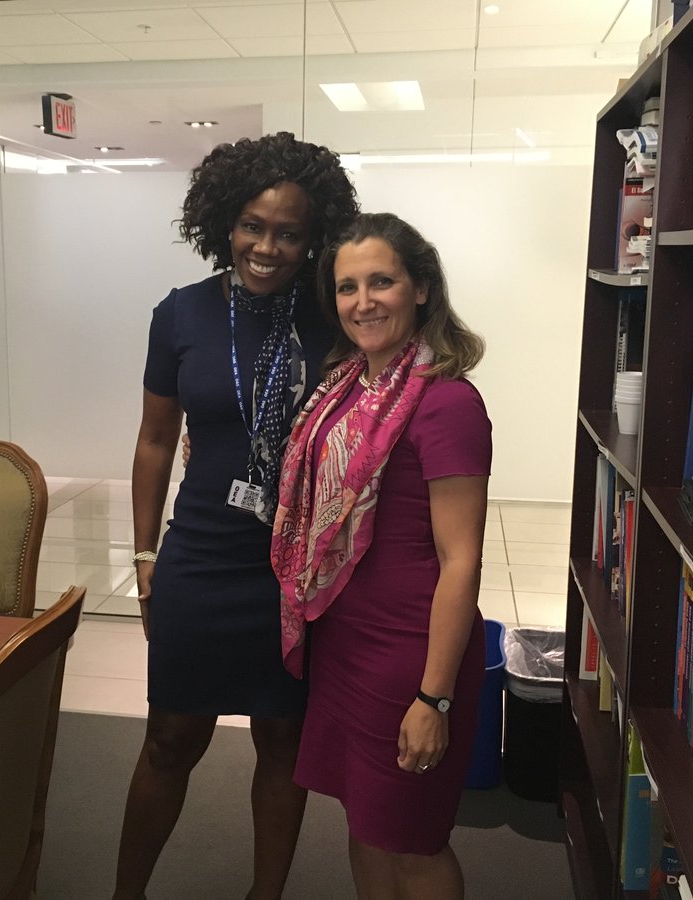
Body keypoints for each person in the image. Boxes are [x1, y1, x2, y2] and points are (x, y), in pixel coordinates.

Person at [115, 132, 359, 900]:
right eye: (253, 226)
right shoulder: (181, 314)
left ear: (313, 238)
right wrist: (144, 555)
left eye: (289, 232)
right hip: (201, 557)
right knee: (169, 738)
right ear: (225, 221)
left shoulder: (332, 314)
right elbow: (156, 440)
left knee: (283, 740)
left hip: (294, 570)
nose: (267, 247)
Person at [271, 212, 491, 899]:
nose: (363, 302)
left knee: (415, 844)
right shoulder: (342, 392)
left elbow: (462, 561)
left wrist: (434, 696)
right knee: (365, 823)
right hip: (344, 645)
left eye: (381, 282)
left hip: (409, 658)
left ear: (421, 288)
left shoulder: (446, 403)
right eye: (347, 287)